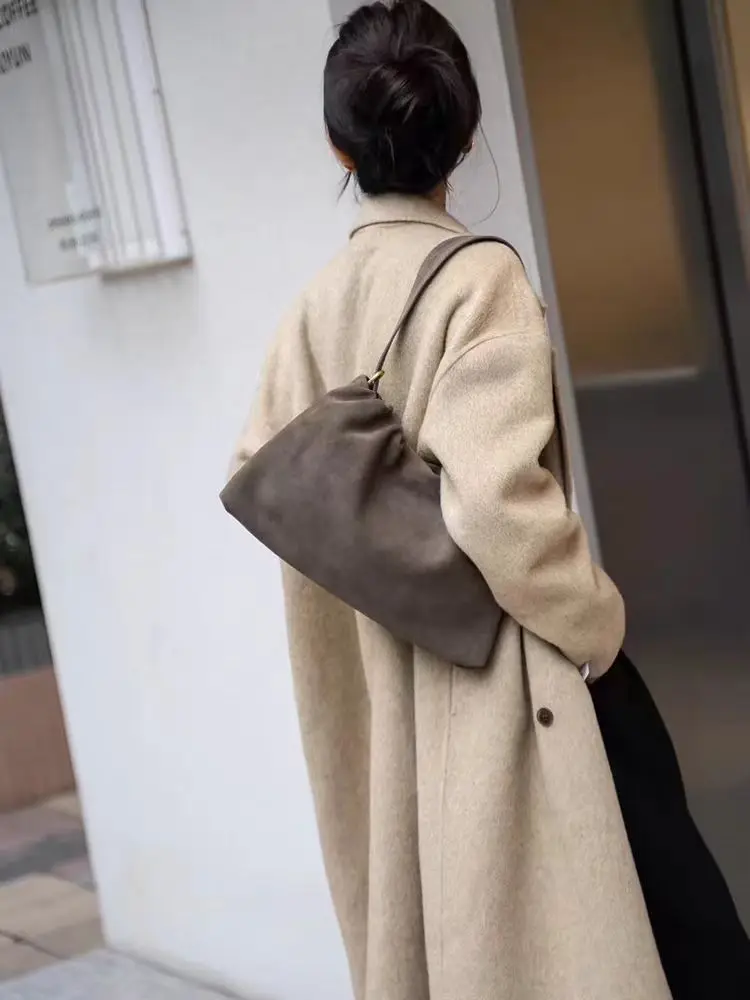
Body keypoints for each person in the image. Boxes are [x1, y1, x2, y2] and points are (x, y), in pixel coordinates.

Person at [231, 3, 750, 997]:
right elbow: (500, 508)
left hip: (388, 703)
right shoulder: (481, 282)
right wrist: (597, 628)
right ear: (466, 135)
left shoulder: (311, 309)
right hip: (510, 695)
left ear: (339, 148)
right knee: (676, 948)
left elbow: (276, 484)